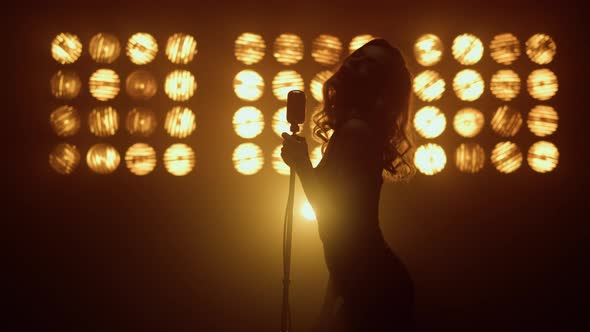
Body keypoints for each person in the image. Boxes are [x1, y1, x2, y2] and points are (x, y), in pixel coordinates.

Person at [280, 38, 416, 332]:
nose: (355, 62)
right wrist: (329, 307)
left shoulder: (356, 133)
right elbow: (346, 239)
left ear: (379, 86)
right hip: (366, 284)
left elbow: (337, 219)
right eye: (358, 55)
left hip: (376, 289)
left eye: (369, 64)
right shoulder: (352, 130)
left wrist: (302, 164)